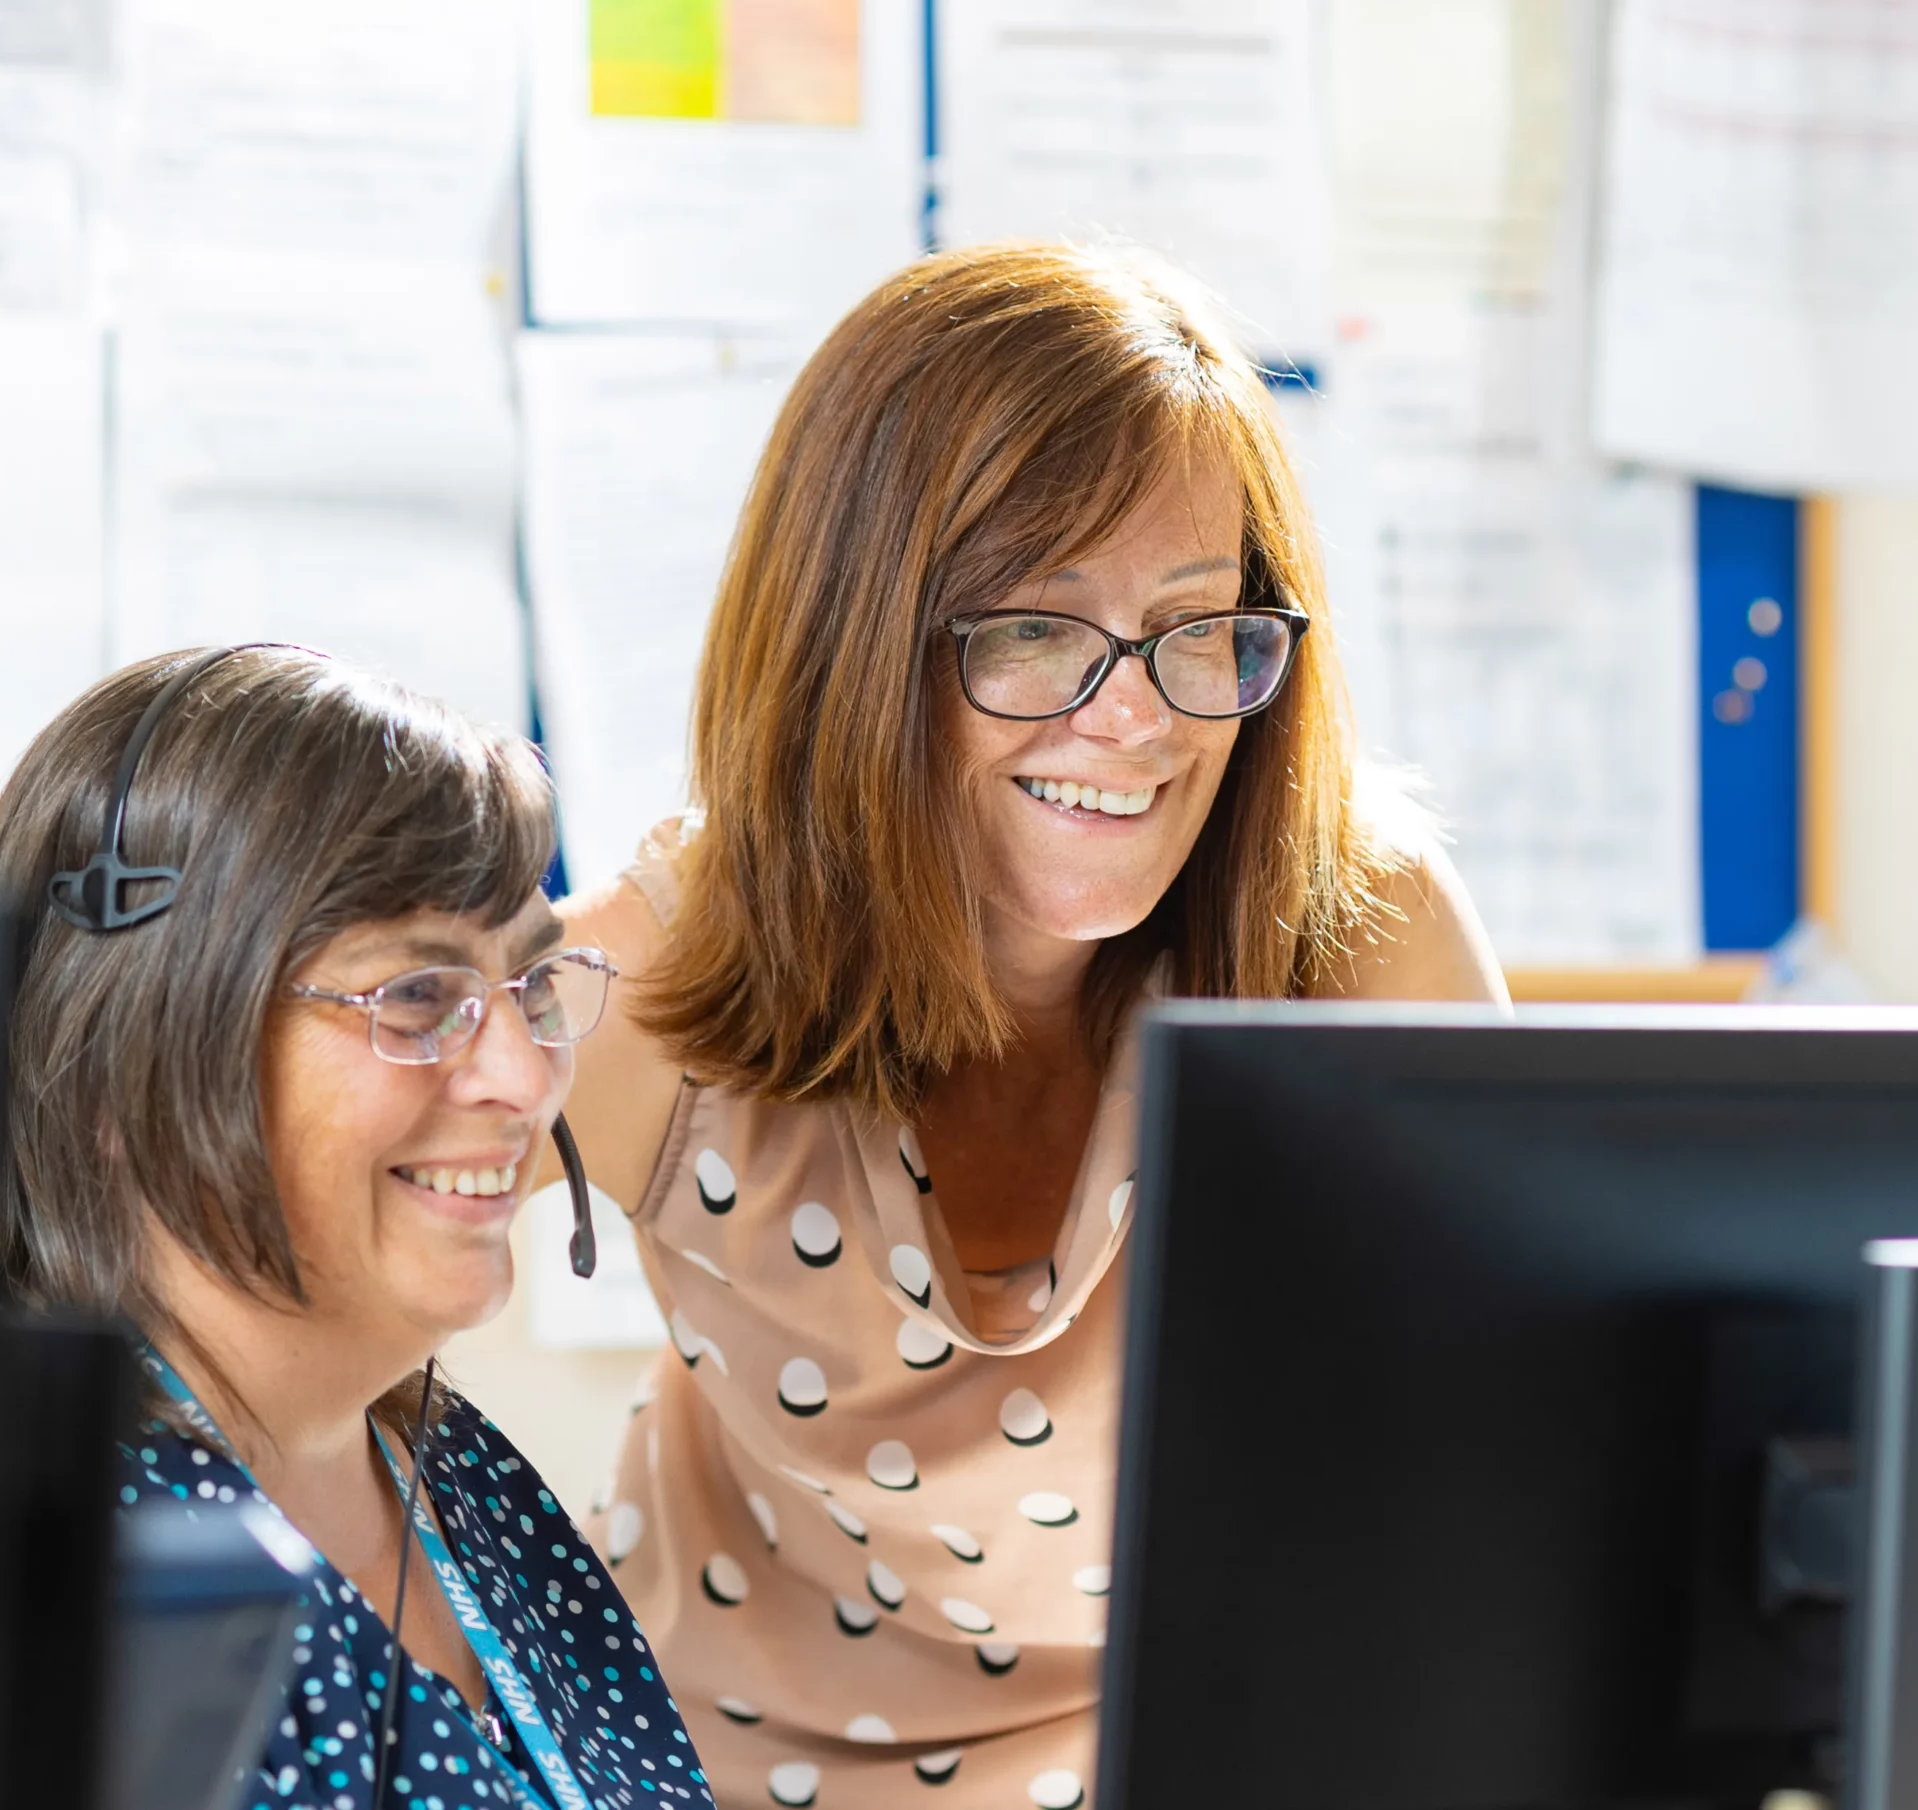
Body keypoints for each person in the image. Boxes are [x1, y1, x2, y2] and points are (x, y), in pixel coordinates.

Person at [553, 245, 1510, 1808]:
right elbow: (274, 1241)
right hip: (705, 1765)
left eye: (1196, 626)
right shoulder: (669, 965)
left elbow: (1514, 1423)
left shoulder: (1358, 927)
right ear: (857, 641)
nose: (1135, 717)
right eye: (1032, 629)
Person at [0, 645, 714, 1810]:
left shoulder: (454, 1473)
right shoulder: (66, 1590)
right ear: (128, 1062)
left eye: (530, 987)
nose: (526, 1079)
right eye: (416, 996)